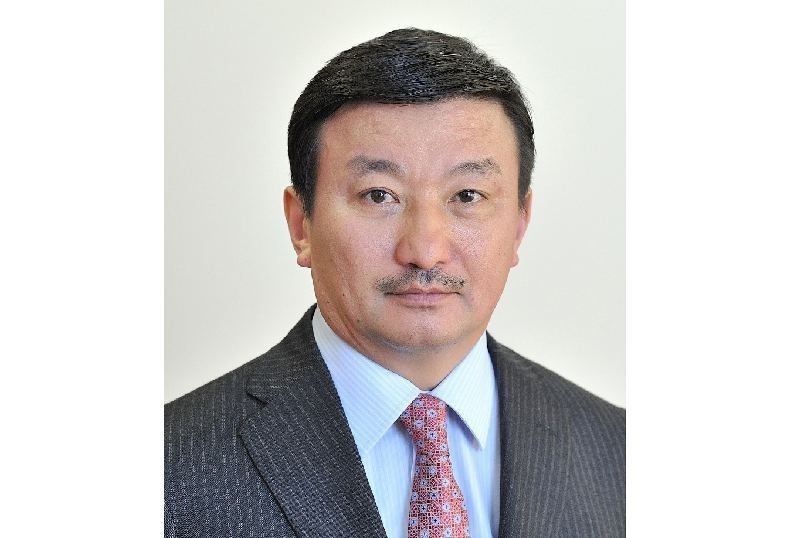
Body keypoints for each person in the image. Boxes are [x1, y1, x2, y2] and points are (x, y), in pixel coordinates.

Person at [165, 28, 624, 538]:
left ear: (520, 223)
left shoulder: (620, 454)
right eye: (378, 195)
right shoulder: (171, 468)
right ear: (301, 225)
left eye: (467, 196)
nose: (424, 250)